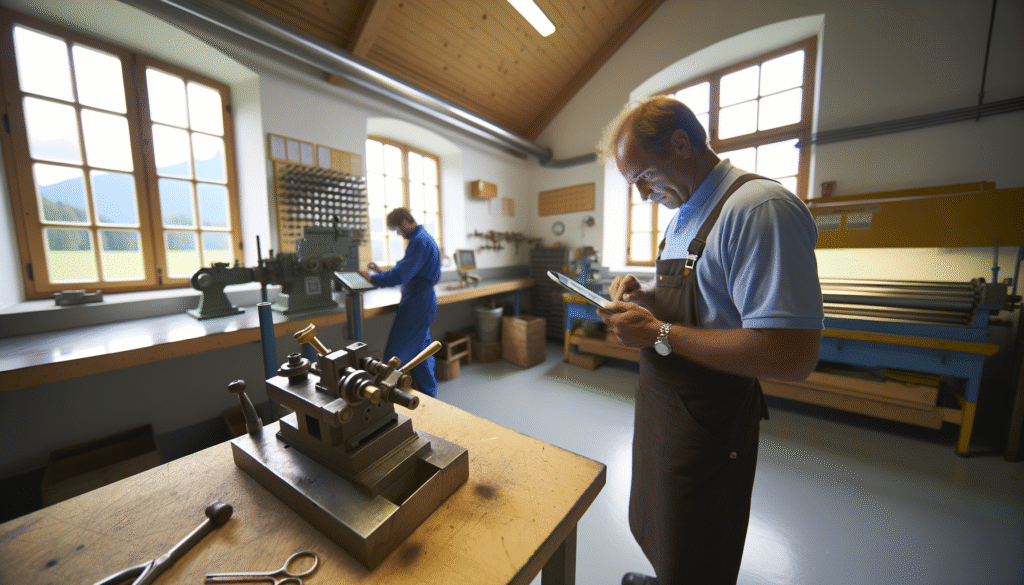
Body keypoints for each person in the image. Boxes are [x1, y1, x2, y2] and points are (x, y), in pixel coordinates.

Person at [596, 96, 824, 585]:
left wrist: (658, 332)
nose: (642, 196)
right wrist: (647, 298)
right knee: (665, 525)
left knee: (702, 544)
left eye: (642, 178)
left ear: (680, 145)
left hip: (710, 419)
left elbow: (791, 354)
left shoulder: (759, 209)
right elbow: (703, 295)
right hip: (666, 407)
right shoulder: (684, 212)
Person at [361, 208, 441, 397]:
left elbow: (402, 274)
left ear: (405, 221)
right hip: (422, 303)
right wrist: (381, 273)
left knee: (393, 357)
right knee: (421, 354)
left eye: (397, 230)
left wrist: (374, 279)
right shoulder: (423, 238)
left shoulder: (419, 242)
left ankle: (383, 396)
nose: (399, 234)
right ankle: (430, 394)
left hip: (417, 306)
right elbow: (408, 270)